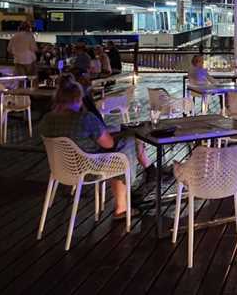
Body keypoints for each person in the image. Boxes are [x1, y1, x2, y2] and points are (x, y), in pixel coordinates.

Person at [38, 77, 155, 219]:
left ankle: (141, 177)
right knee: (127, 144)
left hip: (60, 168)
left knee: (120, 143)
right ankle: (122, 206)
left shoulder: (47, 119)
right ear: (77, 99)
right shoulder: (85, 118)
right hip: (89, 168)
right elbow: (109, 144)